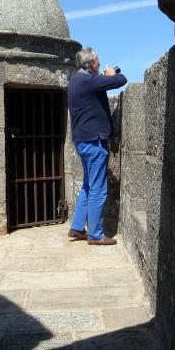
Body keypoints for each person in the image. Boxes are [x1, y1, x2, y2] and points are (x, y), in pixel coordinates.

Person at [68, 47, 127, 245]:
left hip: (82, 141)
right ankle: (95, 234)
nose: (100, 64)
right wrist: (111, 75)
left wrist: (102, 77)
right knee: (98, 189)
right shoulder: (89, 81)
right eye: (98, 61)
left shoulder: (76, 81)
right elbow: (121, 80)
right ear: (91, 63)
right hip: (94, 142)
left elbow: (94, 92)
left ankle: (77, 227)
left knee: (87, 185)